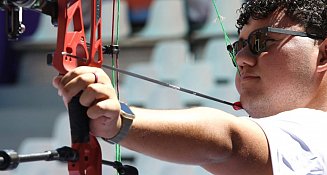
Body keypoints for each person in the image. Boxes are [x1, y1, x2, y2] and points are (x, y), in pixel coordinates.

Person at [53, 0, 327, 174]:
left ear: (323, 54)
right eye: (238, 47)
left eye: (261, 41)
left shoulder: (318, 131)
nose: (242, 59)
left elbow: (227, 141)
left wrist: (120, 123)